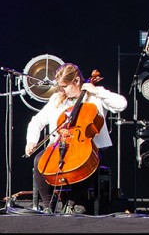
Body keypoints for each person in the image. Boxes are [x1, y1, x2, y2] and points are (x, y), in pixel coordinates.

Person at [24, 63, 127, 214]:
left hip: (88, 147)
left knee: (86, 162)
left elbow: (122, 104)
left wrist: (97, 91)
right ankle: (47, 206)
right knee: (40, 160)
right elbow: (36, 121)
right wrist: (31, 141)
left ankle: (73, 203)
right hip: (60, 145)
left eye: (65, 86)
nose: (61, 90)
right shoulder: (56, 99)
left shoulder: (94, 96)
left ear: (77, 81)